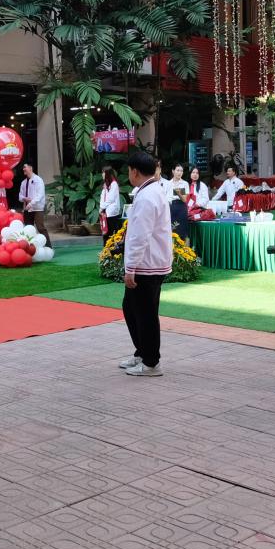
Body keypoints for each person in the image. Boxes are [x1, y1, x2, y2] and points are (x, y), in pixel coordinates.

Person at [118, 150, 172, 378]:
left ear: (135, 172)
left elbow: (140, 235)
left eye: (129, 171)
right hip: (150, 263)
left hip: (147, 265)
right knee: (132, 309)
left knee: (145, 314)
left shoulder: (147, 196)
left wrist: (130, 267)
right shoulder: (151, 191)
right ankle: (142, 353)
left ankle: (151, 362)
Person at [18, 162, 46, 233]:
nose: (23, 169)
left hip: (37, 208)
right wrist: (24, 198)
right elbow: (20, 196)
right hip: (27, 209)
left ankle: (47, 241)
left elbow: (40, 195)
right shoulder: (23, 182)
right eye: (23, 168)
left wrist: (31, 204)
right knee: (28, 229)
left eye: (25, 167)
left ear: (30, 168)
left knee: (40, 228)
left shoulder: (38, 180)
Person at [98, 168, 121, 238]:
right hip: (105, 212)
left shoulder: (114, 184)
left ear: (108, 174)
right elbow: (102, 196)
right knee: (105, 234)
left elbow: (111, 199)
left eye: (104, 172)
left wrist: (102, 207)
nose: (102, 174)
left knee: (111, 234)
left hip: (111, 213)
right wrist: (101, 207)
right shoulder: (106, 184)